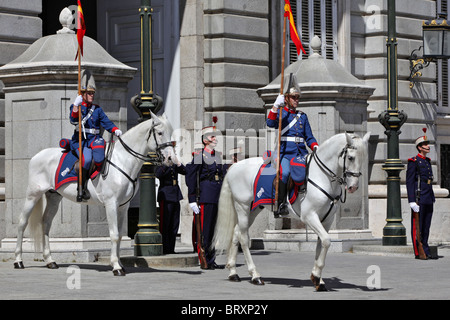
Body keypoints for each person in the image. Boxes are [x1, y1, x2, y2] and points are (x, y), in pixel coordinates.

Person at [266, 74, 318, 217]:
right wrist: (275, 106)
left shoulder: (302, 116)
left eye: (298, 97)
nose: (297, 100)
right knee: (285, 173)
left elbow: (309, 137)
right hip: (286, 153)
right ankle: (281, 205)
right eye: (294, 97)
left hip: (301, 153)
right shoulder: (282, 113)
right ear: (287, 98)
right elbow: (270, 123)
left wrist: (315, 146)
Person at [69, 70, 122, 201]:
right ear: (83, 94)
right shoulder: (77, 107)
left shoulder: (97, 109)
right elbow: (73, 120)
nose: (92, 96)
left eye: (93, 93)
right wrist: (76, 106)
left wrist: (115, 129)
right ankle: (82, 188)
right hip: (81, 141)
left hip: (95, 139)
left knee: (99, 158)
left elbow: (106, 122)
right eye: (89, 93)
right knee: (86, 160)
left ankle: (99, 183)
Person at [185, 124, 227, 269]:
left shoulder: (218, 156)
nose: (215, 138)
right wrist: (191, 199)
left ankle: (211, 258)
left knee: (214, 229)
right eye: (212, 136)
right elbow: (191, 177)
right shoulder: (199, 155)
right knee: (204, 230)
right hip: (206, 195)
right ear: (205, 140)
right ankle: (204, 258)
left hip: (218, 195)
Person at [406, 129, 436, 260]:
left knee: (426, 225)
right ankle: (419, 251)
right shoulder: (414, 161)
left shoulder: (427, 161)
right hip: (419, 198)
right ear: (419, 147)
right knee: (417, 225)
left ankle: (426, 248)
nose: (428, 146)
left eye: (428, 144)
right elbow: (410, 182)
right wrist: (412, 201)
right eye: (425, 144)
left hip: (428, 196)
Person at [155, 154, 186, 254]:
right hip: (166, 194)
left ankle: (171, 248)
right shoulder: (160, 161)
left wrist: (178, 162)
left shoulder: (174, 163)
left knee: (174, 223)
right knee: (166, 223)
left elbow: (185, 171)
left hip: (175, 194)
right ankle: (164, 248)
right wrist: (165, 163)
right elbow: (158, 174)